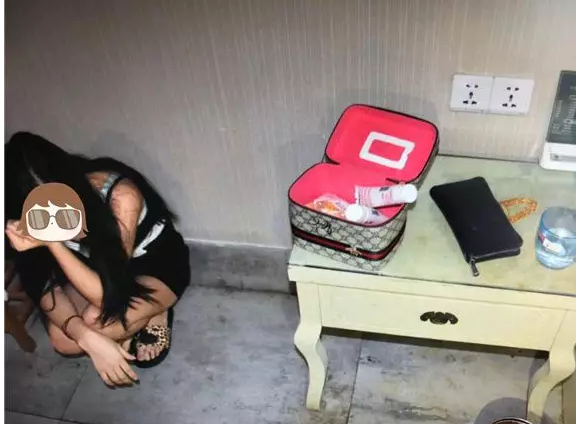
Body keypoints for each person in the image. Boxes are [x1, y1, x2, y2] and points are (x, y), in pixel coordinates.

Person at [4, 132, 191, 387]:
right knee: (65, 340)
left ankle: (157, 310)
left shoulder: (119, 196)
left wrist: (52, 243)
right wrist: (87, 339)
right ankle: (134, 320)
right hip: (94, 269)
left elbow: (107, 295)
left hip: (155, 263)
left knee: (97, 319)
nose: (52, 210)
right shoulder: (23, 216)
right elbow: (43, 285)